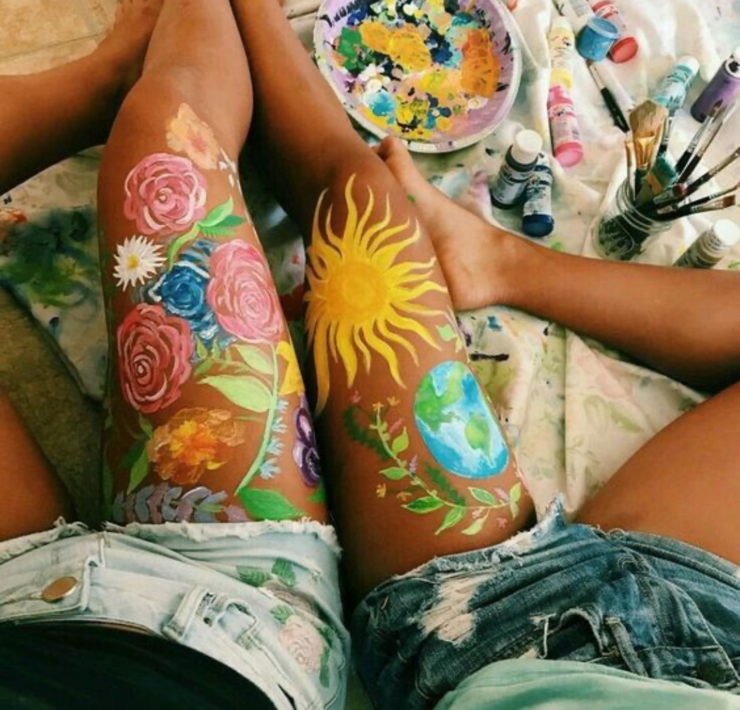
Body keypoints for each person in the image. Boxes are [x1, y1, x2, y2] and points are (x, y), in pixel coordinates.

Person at [0, 0, 738, 708]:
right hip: (662, 640)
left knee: (170, 141)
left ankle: (118, 74)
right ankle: (498, 260)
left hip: (174, 636)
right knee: (362, 206)